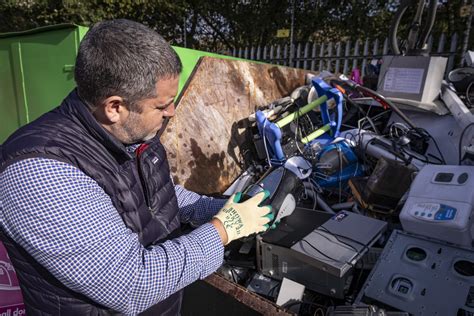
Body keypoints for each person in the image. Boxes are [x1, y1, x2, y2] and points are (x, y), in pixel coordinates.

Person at [0, 19, 274, 315]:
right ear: (114, 107)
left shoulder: (133, 134)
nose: (172, 112)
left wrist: (215, 208)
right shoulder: (41, 172)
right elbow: (132, 284)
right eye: (162, 105)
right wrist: (223, 229)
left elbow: (155, 197)